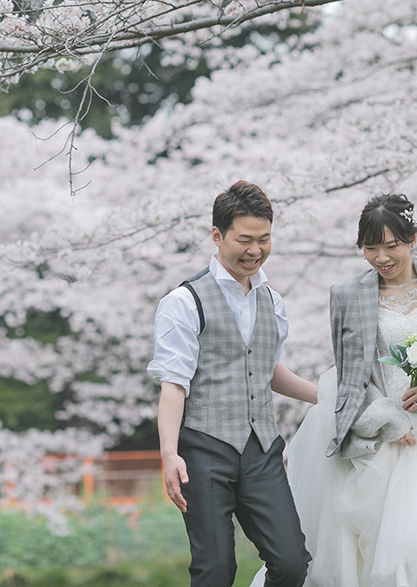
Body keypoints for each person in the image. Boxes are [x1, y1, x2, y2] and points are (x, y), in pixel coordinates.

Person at [252, 192, 417, 587]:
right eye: (370, 248)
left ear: (412, 240)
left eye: (391, 246)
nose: (381, 257)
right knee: (377, 547)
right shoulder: (347, 295)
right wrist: (388, 419)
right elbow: (351, 373)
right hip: (384, 437)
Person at [149, 181, 318, 587]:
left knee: (292, 562)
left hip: (261, 450)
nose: (255, 251)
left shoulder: (271, 299)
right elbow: (174, 384)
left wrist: (326, 397)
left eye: (264, 239)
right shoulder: (183, 302)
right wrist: (169, 454)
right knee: (216, 569)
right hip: (204, 451)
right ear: (217, 235)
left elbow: (267, 369)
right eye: (244, 240)